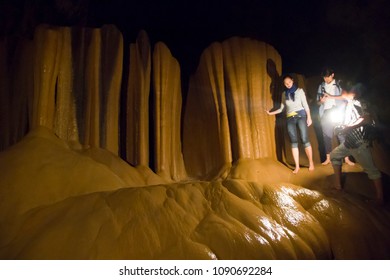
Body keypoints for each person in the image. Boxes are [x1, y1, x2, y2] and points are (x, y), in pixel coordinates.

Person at [328, 84, 384, 205]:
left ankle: (380, 198)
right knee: (334, 156)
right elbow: (350, 121)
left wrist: (348, 127)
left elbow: (367, 118)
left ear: (349, 91)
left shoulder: (359, 102)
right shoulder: (349, 104)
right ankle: (338, 186)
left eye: (342, 90)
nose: (341, 93)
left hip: (359, 141)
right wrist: (342, 127)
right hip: (350, 141)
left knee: (371, 170)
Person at [266, 75, 315, 174]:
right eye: (286, 83)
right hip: (290, 119)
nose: (288, 84)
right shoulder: (284, 94)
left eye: (289, 82)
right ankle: (297, 167)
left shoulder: (300, 91)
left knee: (305, 139)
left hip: (301, 116)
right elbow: (282, 108)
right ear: (284, 84)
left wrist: (309, 117)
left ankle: (311, 163)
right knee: (293, 141)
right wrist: (270, 113)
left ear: (292, 81)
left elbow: (305, 105)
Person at [317, 68, 354, 165]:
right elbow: (318, 101)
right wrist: (321, 101)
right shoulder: (321, 86)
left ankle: (346, 158)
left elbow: (345, 96)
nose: (326, 79)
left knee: (341, 134)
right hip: (325, 112)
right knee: (326, 136)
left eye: (327, 77)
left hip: (337, 110)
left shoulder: (338, 84)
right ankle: (328, 158)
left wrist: (331, 96)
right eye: (324, 77)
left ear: (332, 75)